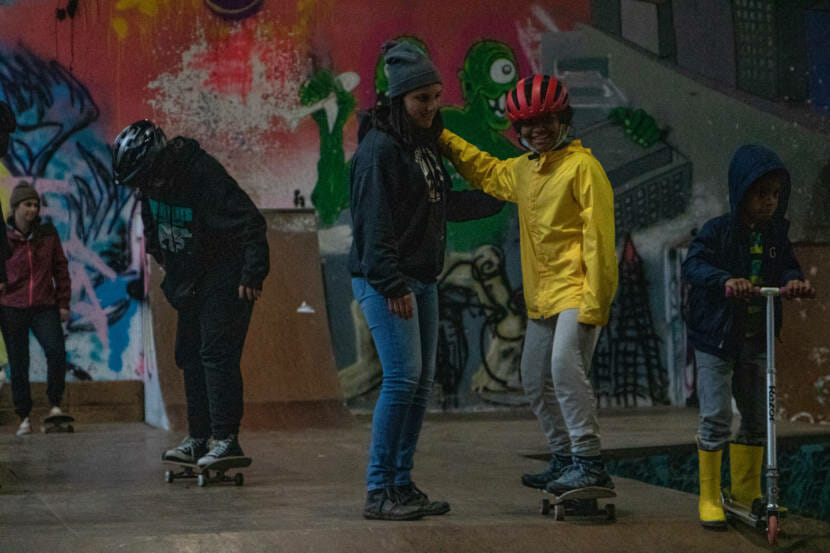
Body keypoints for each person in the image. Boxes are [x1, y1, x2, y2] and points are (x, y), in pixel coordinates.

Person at [438, 75, 618, 495]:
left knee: (563, 369)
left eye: (547, 121)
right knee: (534, 379)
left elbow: (599, 241)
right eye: (527, 125)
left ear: (563, 119)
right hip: (541, 300)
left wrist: (594, 305)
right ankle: (562, 458)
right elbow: (485, 170)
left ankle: (589, 462)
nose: (538, 131)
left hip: (579, 293)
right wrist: (441, 137)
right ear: (517, 130)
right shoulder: (524, 170)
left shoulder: (584, 168)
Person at [350, 40, 503, 521]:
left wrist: (499, 194)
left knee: (419, 384)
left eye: (437, 96)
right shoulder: (380, 150)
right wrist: (392, 285)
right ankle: (379, 492)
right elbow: (372, 226)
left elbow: (437, 203)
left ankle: (401, 482)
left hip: (421, 278)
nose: (433, 107)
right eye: (422, 99)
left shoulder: (423, 144)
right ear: (398, 98)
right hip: (387, 282)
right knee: (400, 380)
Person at [112, 120, 269, 467]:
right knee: (189, 355)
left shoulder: (202, 173)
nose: (143, 187)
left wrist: (253, 272)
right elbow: (152, 230)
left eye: (143, 178)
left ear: (157, 162)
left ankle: (226, 439)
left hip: (227, 271)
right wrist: (169, 262)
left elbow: (251, 221)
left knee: (216, 354)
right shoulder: (148, 186)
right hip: (191, 276)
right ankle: (199, 438)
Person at [682, 144, 814, 529]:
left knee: (758, 419)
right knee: (717, 417)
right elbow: (695, 264)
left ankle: (745, 491)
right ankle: (709, 496)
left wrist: (794, 283)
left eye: (775, 194)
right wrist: (725, 280)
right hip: (717, 341)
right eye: (761, 194)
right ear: (741, 192)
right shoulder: (719, 231)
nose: (769, 202)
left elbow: (787, 266)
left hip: (757, 340)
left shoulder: (776, 234)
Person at [0, 182, 71, 436]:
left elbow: (61, 268)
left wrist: (63, 303)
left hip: (44, 306)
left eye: (35, 205)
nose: (32, 210)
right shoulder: (4, 238)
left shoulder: (47, 234)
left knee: (55, 351)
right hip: (11, 307)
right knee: (19, 362)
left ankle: (54, 405)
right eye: (26, 205)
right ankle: (24, 417)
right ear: (15, 207)